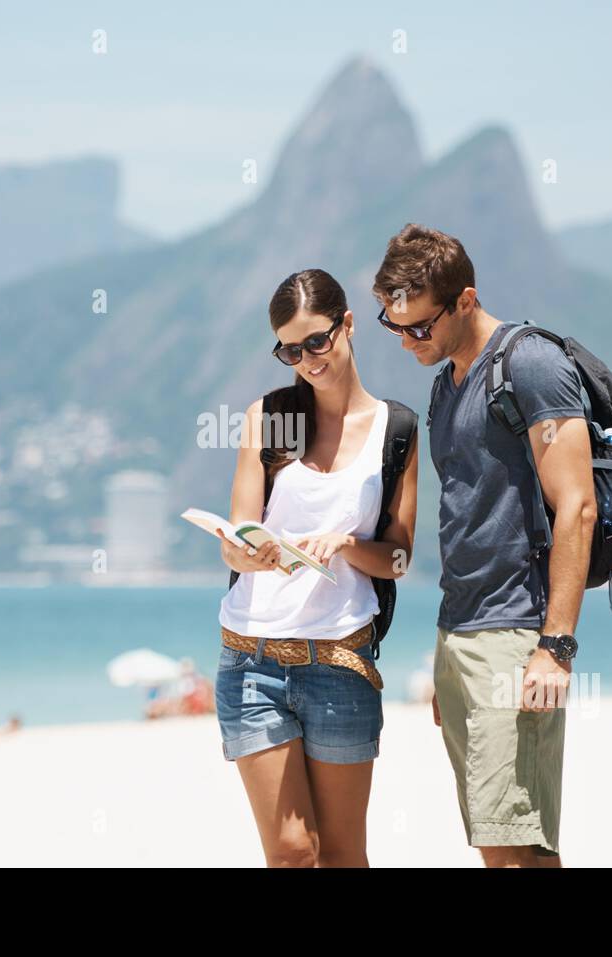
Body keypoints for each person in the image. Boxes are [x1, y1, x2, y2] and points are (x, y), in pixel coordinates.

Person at [372, 223, 596, 867]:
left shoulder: (529, 365)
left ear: (465, 301)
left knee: (509, 848)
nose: (411, 342)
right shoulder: (446, 383)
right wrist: (448, 652)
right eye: (397, 329)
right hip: (463, 637)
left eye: (421, 327)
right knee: (513, 846)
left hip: (518, 633)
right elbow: (465, 518)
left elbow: (576, 506)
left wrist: (555, 647)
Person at [214, 268, 418, 868]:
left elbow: (400, 559)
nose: (305, 360)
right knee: (292, 852)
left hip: (342, 662)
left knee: (344, 857)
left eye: (316, 341)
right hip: (251, 659)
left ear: (348, 324)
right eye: (289, 349)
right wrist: (244, 550)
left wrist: (349, 545)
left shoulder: (396, 429)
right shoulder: (270, 416)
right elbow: (236, 536)